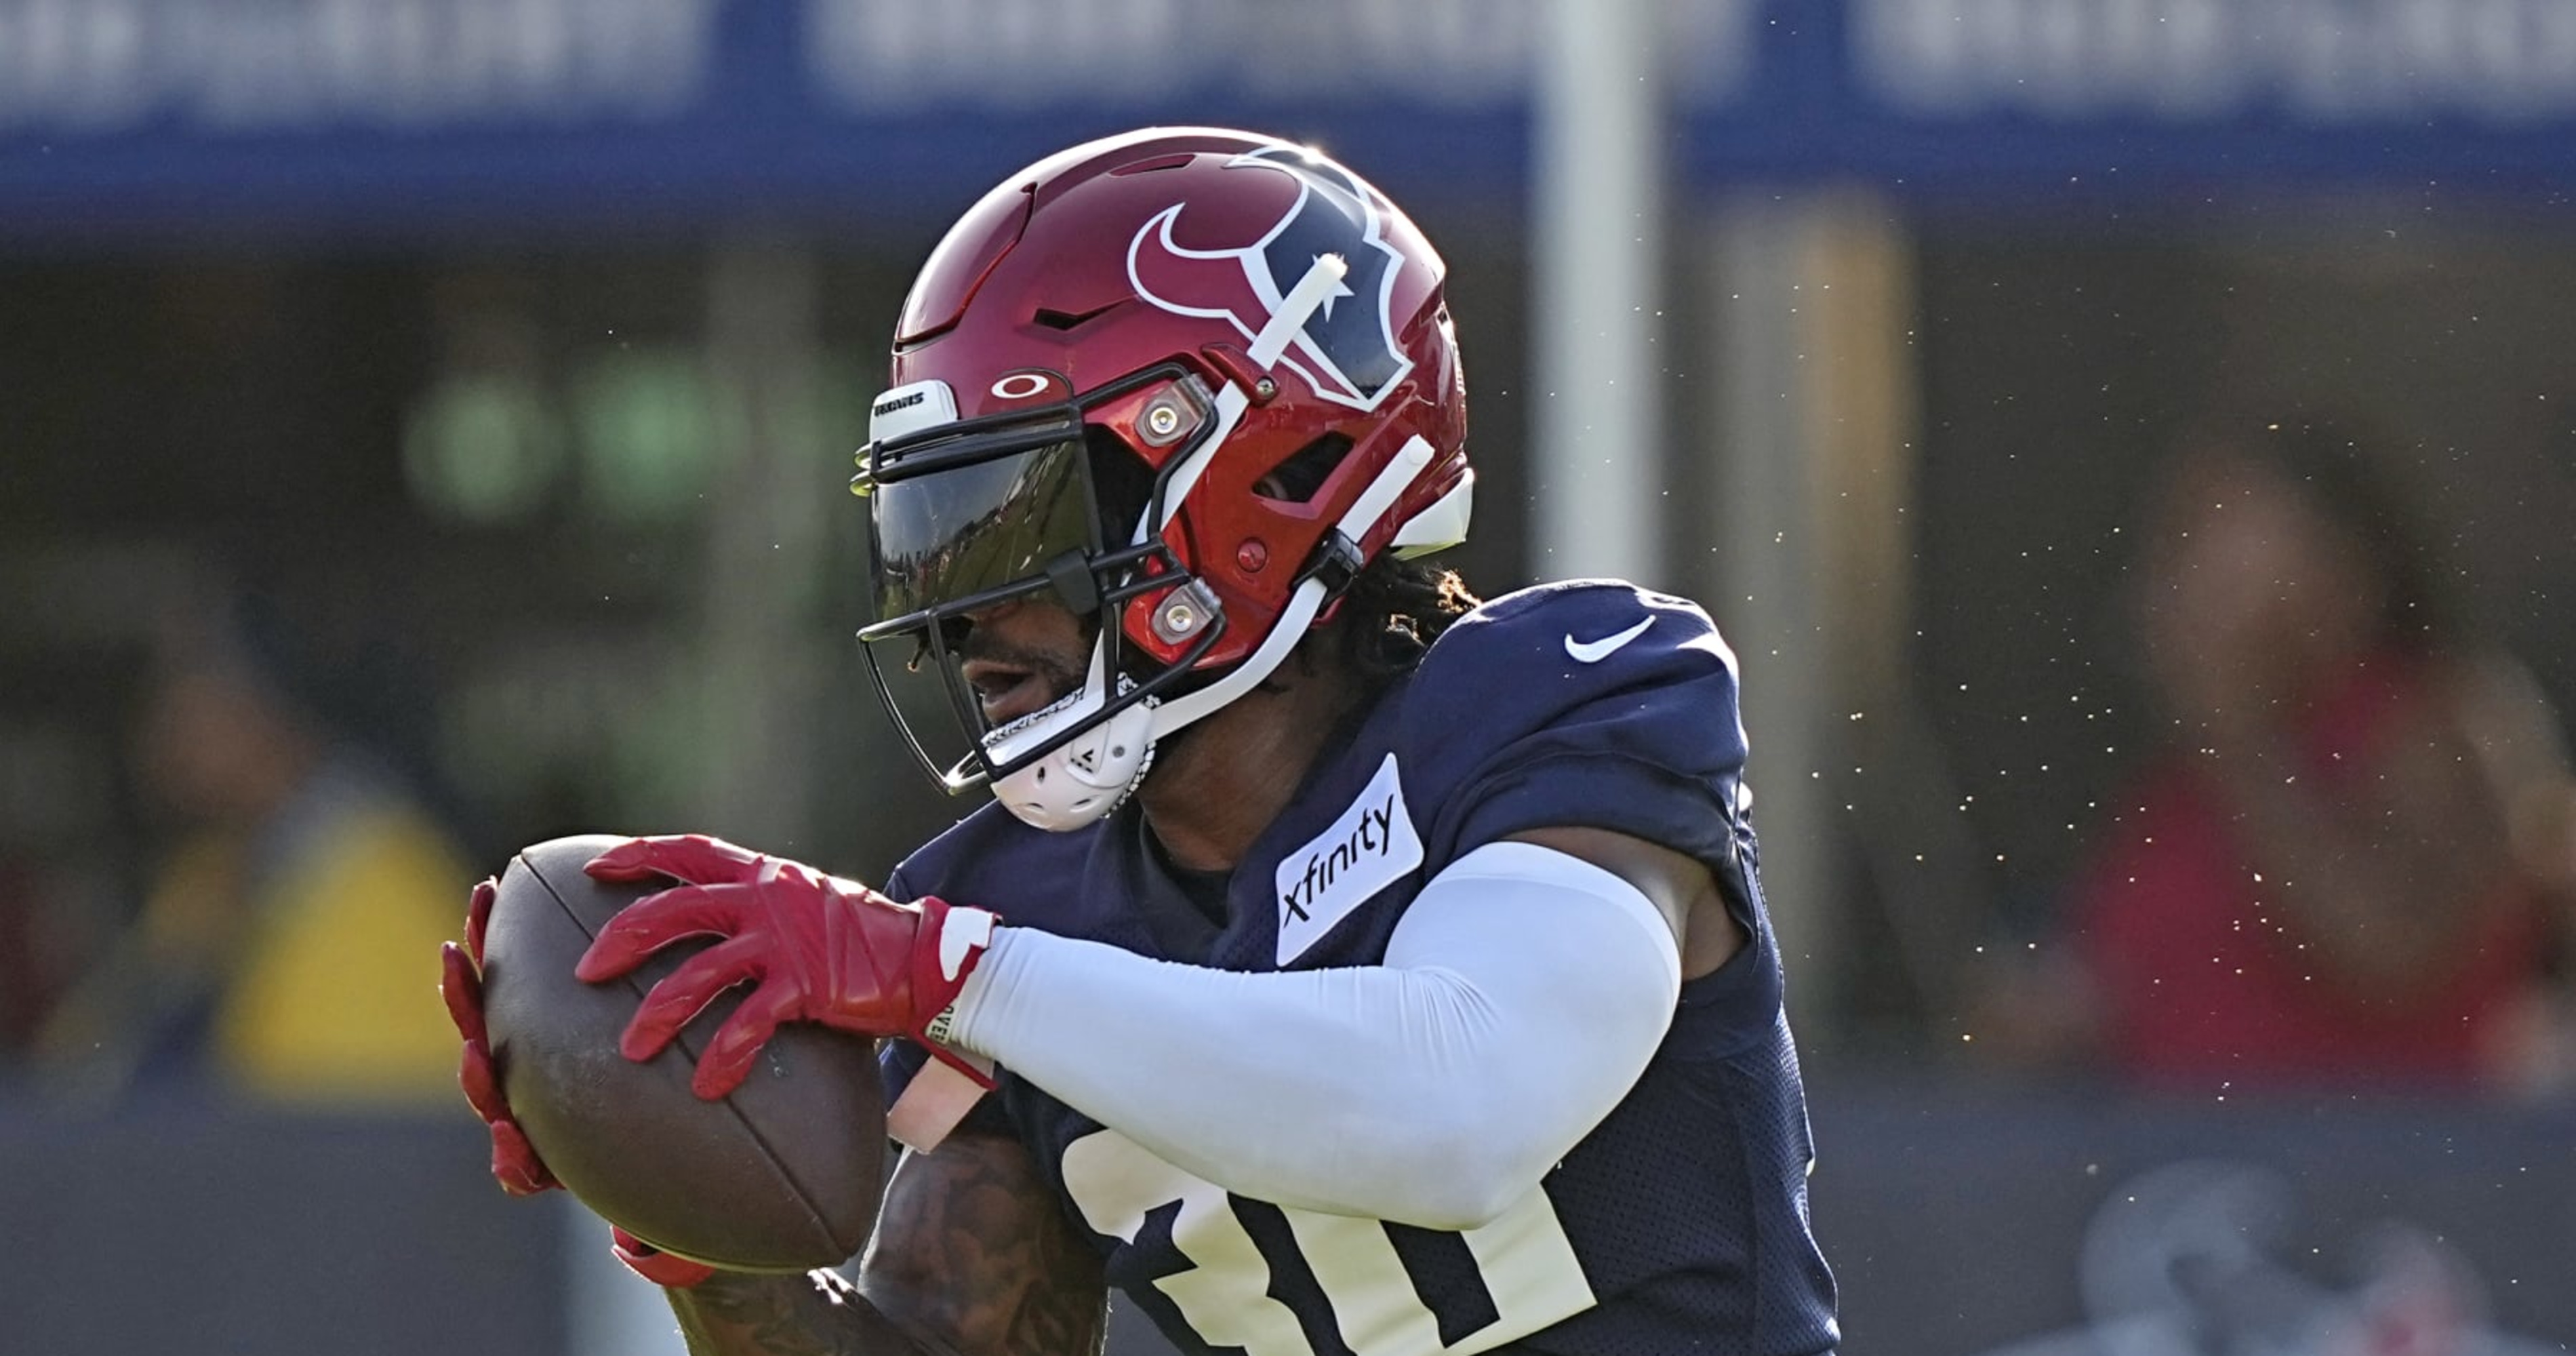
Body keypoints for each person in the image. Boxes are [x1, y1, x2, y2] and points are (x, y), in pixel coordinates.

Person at [443, 126, 1840, 1355]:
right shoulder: (1011, 903)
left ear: (1262, 475)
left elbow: (1461, 1106)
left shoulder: (1556, 700)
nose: (964, 615)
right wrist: (688, 1218)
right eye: (932, 538)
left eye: (1026, 520)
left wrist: (938, 971)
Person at [1977, 416, 2576, 1093]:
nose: (2176, 584)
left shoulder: (2440, 719)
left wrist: (2242, 738)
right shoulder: (2187, 774)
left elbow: (2385, 950)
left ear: (2342, 575)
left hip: (2386, 1167)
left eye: (2212, 543)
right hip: (2201, 1167)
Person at [39, 582, 472, 1106]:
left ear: (272, 707)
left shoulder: (381, 897)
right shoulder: (217, 877)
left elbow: (332, 1158)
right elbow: (75, 1070)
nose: (157, 714)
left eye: (186, 678)